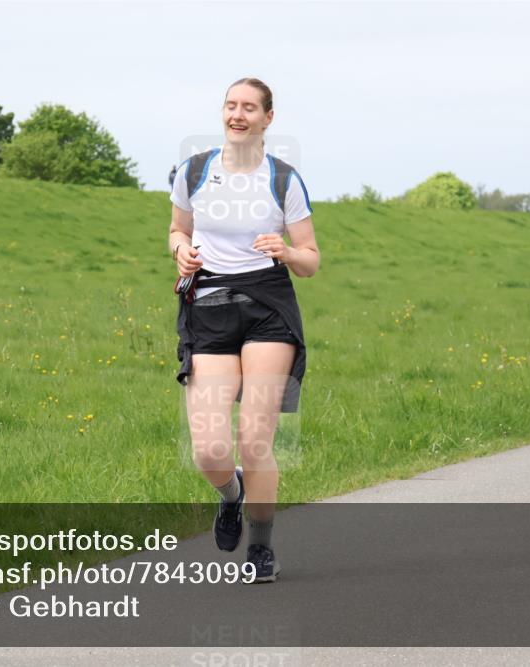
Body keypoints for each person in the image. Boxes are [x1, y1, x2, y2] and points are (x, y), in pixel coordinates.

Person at [168, 77, 319, 583]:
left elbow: (310, 261)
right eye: (231, 105)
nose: (238, 114)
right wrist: (179, 251)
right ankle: (231, 494)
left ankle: (261, 546)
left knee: (255, 440)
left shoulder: (284, 179)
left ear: (267, 118)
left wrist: (286, 250)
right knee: (210, 450)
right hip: (208, 305)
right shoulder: (194, 170)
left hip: (268, 308)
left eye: (249, 107)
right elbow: (177, 229)